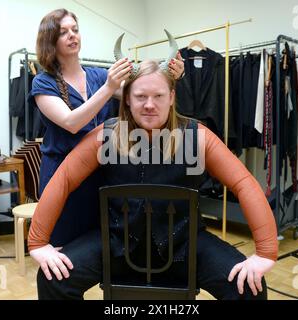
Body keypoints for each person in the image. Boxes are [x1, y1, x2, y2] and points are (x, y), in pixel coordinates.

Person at [28, 59, 278, 300]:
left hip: (185, 244)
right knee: (53, 279)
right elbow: (64, 179)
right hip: (116, 242)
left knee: (248, 287)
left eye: (158, 96)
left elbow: (243, 183)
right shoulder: (106, 135)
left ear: (171, 97)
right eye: (140, 96)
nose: (149, 104)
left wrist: (265, 252)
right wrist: (38, 242)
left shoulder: (196, 135)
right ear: (127, 98)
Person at [30, 8, 185, 246]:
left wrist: (171, 75)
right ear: (50, 40)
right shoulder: (42, 82)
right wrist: (109, 86)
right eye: (63, 32)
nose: (73, 35)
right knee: (61, 252)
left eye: (75, 29)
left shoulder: (99, 75)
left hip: (99, 175)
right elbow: (72, 123)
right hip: (62, 178)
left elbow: (139, 96)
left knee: (98, 248)